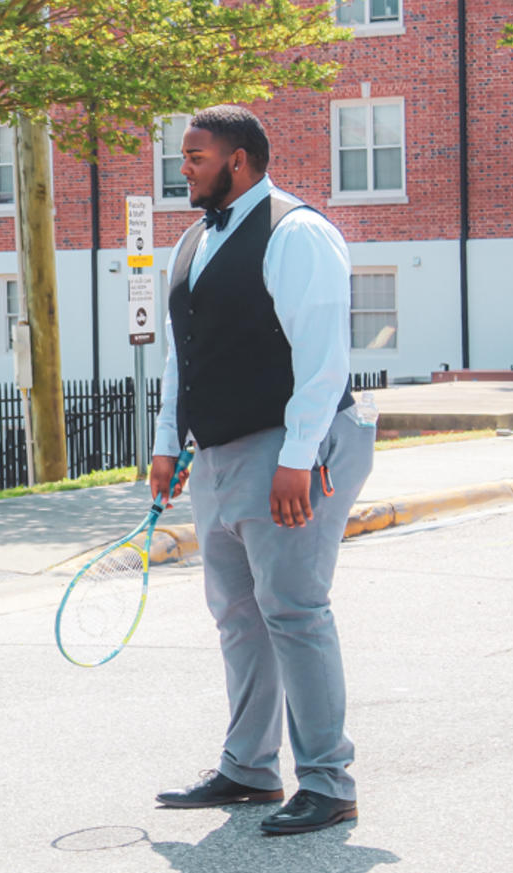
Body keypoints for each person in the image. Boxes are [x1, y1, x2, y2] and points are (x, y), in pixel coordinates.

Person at [148, 106, 375, 835]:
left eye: (195, 157)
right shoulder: (190, 242)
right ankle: (249, 768)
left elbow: (322, 357)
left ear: (238, 160)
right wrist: (166, 443)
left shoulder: (297, 232)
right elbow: (181, 354)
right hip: (219, 451)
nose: (183, 168)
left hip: (293, 443)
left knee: (294, 610)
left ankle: (328, 781)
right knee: (238, 615)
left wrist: (298, 460)